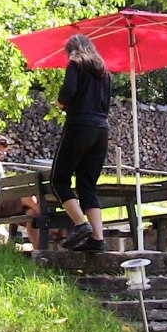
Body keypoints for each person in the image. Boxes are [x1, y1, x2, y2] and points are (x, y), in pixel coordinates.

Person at [51, 34, 111, 252]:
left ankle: (80, 224)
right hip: (101, 130)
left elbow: (68, 92)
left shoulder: (75, 64)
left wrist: (60, 103)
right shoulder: (105, 72)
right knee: (87, 184)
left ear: (72, 50)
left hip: (79, 126)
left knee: (58, 180)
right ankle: (97, 239)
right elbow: (106, 104)